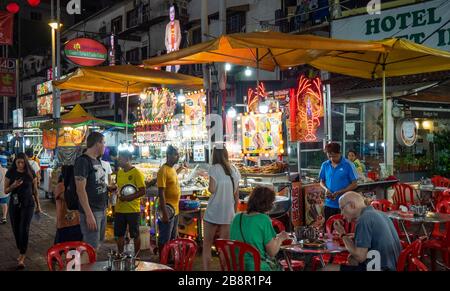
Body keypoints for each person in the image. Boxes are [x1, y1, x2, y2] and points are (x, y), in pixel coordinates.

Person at [331, 191, 401, 271]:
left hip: (381, 269)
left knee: (326, 268)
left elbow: (360, 257)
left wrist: (342, 234)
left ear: (352, 205)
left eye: (342, 208)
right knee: (351, 258)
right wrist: (357, 236)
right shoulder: (381, 214)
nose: (341, 213)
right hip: (394, 266)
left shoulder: (364, 219)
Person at [230, 187, 290, 271]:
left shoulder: (237, 217)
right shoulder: (263, 219)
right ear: (268, 204)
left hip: (237, 266)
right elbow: (272, 252)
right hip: (257, 267)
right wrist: (281, 238)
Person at [202, 145, 241, 271]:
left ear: (215, 155)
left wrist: (210, 186)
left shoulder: (214, 169)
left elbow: (212, 189)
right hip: (227, 214)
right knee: (225, 248)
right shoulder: (235, 169)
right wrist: (234, 213)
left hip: (213, 212)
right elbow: (237, 197)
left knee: (207, 245)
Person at [4, 153, 41, 269]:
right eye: (18, 162)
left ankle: (22, 255)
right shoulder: (10, 173)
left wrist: (38, 206)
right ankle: (21, 248)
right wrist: (14, 185)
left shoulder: (30, 173)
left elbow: (35, 190)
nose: (20, 165)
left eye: (22, 162)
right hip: (14, 205)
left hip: (28, 205)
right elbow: (5, 191)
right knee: (16, 229)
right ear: (15, 162)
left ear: (25, 162)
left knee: (24, 229)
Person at [74, 132, 108, 250]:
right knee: (90, 249)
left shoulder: (97, 160)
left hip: (101, 209)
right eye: (103, 143)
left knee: (96, 245)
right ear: (97, 144)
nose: (105, 146)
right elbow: (80, 190)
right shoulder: (83, 161)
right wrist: (88, 214)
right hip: (92, 211)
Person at [113, 151, 146, 255]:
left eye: (120, 158)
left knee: (135, 234)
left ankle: (137, 256)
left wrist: (127, 198)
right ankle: (120, 255)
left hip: (133, 209)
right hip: (120, 209)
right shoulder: (120, 173)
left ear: (127, 159)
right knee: (120, 234)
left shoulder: (137, 173)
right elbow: (118, 188)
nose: (118, 160)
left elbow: (142, 191)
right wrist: (113, 189)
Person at [156, 145, 185, 255]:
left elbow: (172, 178)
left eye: (178, 154)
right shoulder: (163, 170)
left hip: (175, 210)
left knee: (173, 237)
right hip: (167, 210)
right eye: (175, 154)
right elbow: (161, 192)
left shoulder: (172, 169)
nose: (177, 157)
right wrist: (164, 212)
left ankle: (170, 258)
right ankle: (162, 259)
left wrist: (180, 169)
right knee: (165, 238)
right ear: (168, 156)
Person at [319, 142, 358, 222]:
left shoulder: (348, 165)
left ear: (339, 153)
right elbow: (321, 181)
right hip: (329, 204)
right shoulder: (325, 165)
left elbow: (354, 184)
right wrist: (326, 189)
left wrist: (340, 192)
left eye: (335, 156)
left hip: (345, 205)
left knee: (344, 230)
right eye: (329, 156)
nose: (332, 159)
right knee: (329, 229)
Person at [54, 165, 82, 244]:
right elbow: (70, 199)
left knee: (74, 251)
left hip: (77, 223)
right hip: (64, 225)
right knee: (60, 250)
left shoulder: (76, 186)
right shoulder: (60, 186)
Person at [164, 4, 181, 73]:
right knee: (169, 66)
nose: (171, 14)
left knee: (176, 65)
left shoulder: (178, 23)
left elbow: (179, 35)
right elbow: (165, 39)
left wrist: (176, 46)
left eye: (173, 12)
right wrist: (168, 47)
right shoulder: (167, 25)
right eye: (170, 12)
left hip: (176, 49)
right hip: (169, 49)